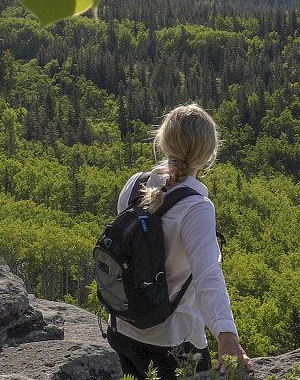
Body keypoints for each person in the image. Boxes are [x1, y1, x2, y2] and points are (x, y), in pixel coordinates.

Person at [106, 103, 254, 379]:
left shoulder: (135, 185)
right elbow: (207, 275)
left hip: (122, 331)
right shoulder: (196, 207)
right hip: (173, 343)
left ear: (163, 142)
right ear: (209, 153)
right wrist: (227, 336)